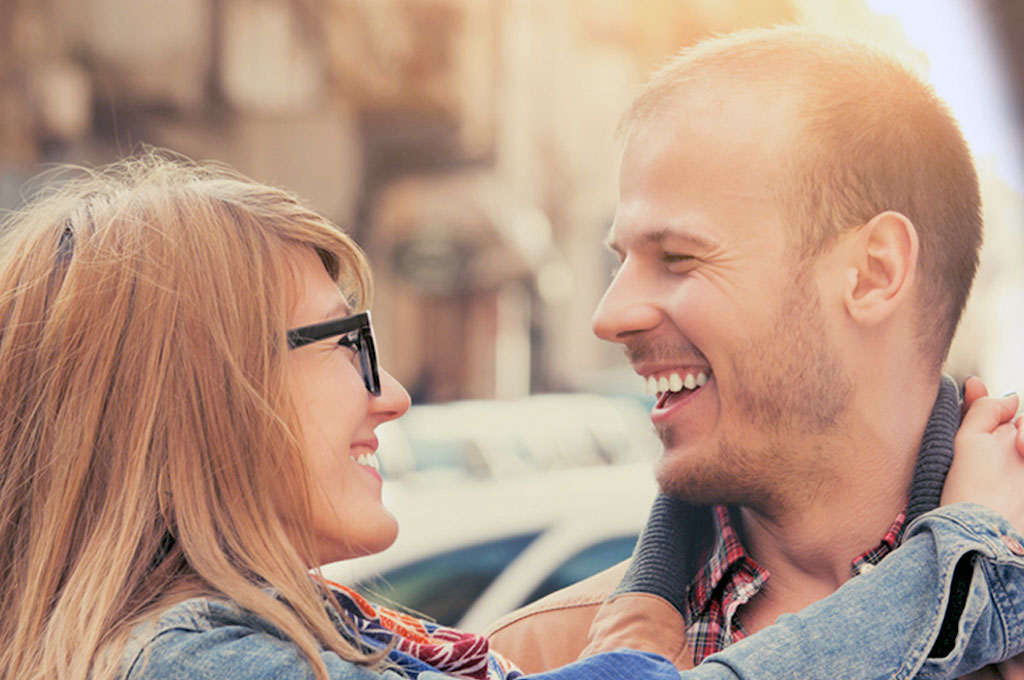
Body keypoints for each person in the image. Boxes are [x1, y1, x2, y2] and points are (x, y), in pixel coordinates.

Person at [0, 152, 1022, 680]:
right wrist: (964, 559)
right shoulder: (196, 662)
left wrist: (670, 538)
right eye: (343, 342)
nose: (391, 392)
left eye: (681, 257)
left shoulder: (295, 631)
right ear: (204, 391)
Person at [485, 24, 1024, 678]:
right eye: (622, 261)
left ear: (873, 273)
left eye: (679, 258)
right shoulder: (530, 658)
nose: (611, 316)